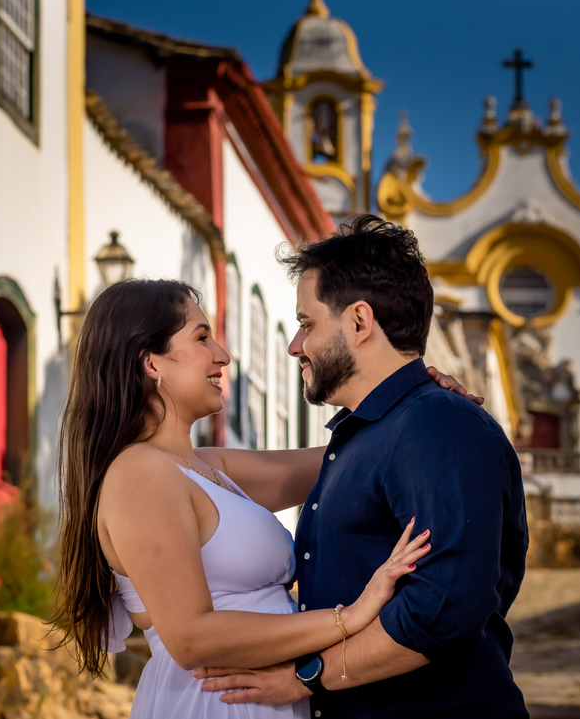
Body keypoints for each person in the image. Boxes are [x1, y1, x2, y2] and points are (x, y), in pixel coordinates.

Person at [54, 278, 474, 719]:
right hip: (215, 703)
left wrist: (413, 397)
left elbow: (358, 454)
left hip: (263, 696)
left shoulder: (207, 467)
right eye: (201, 338)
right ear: (151, 362)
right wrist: (347, 618)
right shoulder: (140, 475)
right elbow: (191, 638)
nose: (223, 355)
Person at [195, 216, 530, 718]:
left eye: (307, 324)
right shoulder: (371, 436)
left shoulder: (438, 425)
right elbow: (190, 471)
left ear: (359, 322)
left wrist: (306, 677)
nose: (294, 345)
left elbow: (444, 611)